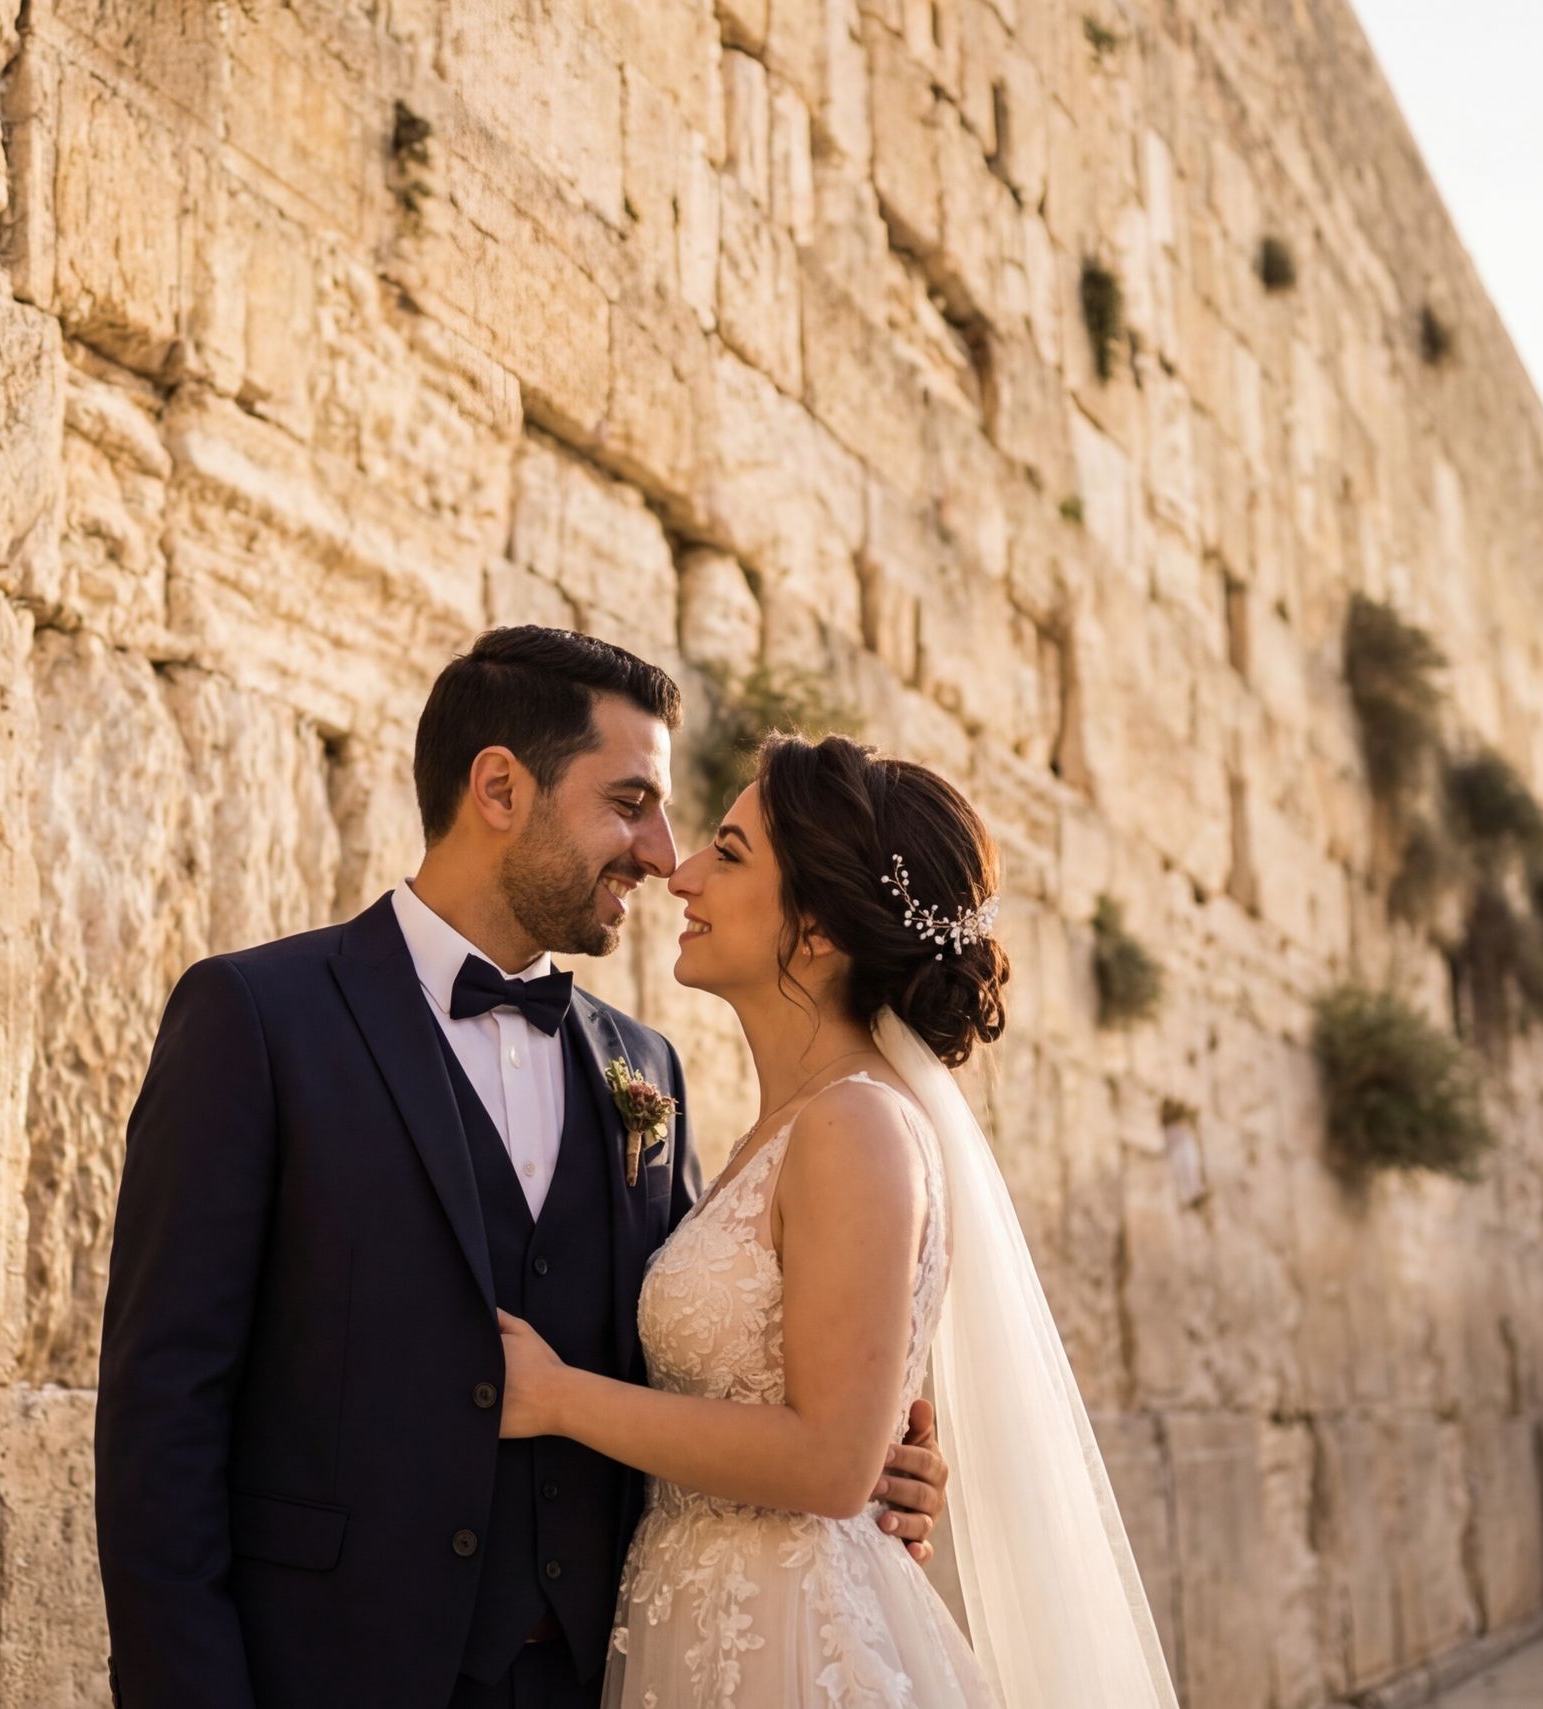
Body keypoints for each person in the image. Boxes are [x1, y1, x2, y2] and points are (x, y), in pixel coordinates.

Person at [95, 629, 950, 1709]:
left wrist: (870, 1463)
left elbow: (694, 1359)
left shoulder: (647, 1069)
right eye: (631, 801)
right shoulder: (258, 1020)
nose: (660, 852)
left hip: (605, 1674)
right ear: (499, 787)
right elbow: (162, 1414)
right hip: (328, 1670)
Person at [497, 734, 1178, 1708]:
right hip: (707, 1628)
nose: (682, 873)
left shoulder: (853, 1126)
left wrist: (556, 1399)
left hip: (789, 1646)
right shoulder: (780, 1131)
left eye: (729, 854)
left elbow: (825, 1462)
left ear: (815, 928)